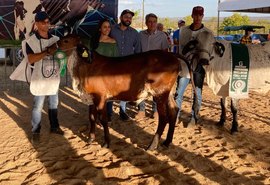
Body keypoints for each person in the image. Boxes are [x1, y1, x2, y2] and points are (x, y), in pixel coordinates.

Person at [25, 11, 64, 144]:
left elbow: (60, 57)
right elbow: (30, 59)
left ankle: (54, 127)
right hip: (39, 79)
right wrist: (47, 52)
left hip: (53, 78)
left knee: (54, 104)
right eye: (43, 22)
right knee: (38, 106)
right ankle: (36, 130)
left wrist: (61, 57)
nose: (47, 24)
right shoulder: (30, 41)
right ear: (36, 24)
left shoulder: (56, 40)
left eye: (48, 22)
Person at [175, 6, 212, 126]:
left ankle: (194, 117)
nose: (197, 17)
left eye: (200, 15)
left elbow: (210, 52)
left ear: (202, 16)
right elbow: (181, 49)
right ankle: (175, 115)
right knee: (179, 92)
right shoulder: (183, 31)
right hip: (185, 66)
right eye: (195, 15)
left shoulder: (208, 33)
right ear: (192, 15)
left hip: (199, 68)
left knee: (197, 93)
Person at [110, 9, 141, 121]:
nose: (128, 19)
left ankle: (122, 110)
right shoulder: (112, 30)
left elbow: (138, 50)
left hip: (128, 65)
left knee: (125, 88)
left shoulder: (134, 33)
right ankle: (108, 112)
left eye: (130, 17)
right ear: (121, 17)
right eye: (126, 17)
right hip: (112, 63)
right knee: (110, 87)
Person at [137, 13, 169, 119]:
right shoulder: (140, 35)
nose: (152, 24)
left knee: (156, 90)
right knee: (141, 89)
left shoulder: (162, 36)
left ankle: (155, 111)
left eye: (154, 22)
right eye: (150, 21)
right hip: (142, 67)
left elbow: (165, 52)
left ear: (156, 23)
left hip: (157, 68)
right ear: (146, 23)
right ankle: (141, 110)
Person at [92, 19, 118, 122]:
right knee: (97, 96)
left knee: (108, 96)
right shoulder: (94, 41)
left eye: (108, 27)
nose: (107, 29)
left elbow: (116, 58)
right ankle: (98, 115)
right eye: (104, 27)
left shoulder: (113, 41)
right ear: (100, 28)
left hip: (108, 74)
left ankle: (109, 114)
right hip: (96, 75)